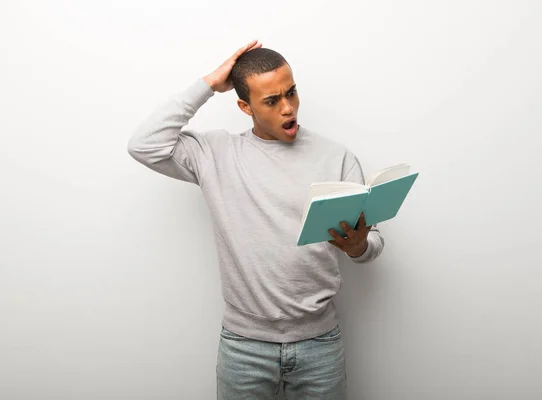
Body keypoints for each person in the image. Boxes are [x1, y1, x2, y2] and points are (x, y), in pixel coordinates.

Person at [127, 40, 385, 399]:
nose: (288, 107)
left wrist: (359, 247)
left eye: (291, 92)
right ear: (244, 106)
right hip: (244, 346)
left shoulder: (337, 157)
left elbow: (373, 243)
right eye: (272, 101)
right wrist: (207, 86)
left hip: (320, 343)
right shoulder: (215, 153)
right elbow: (143, 144)